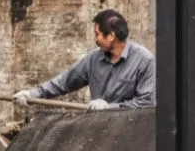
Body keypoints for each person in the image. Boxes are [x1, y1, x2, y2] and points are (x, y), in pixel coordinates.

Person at [14, 9, 154, 110]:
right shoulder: (94, 58)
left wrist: (110, 107)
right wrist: (32, 94)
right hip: (98, 128)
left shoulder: (144, 61)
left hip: (131, 132)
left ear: (111, 36)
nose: (95, 39)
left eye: (97, 34)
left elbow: (146, 103)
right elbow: (64, 82)